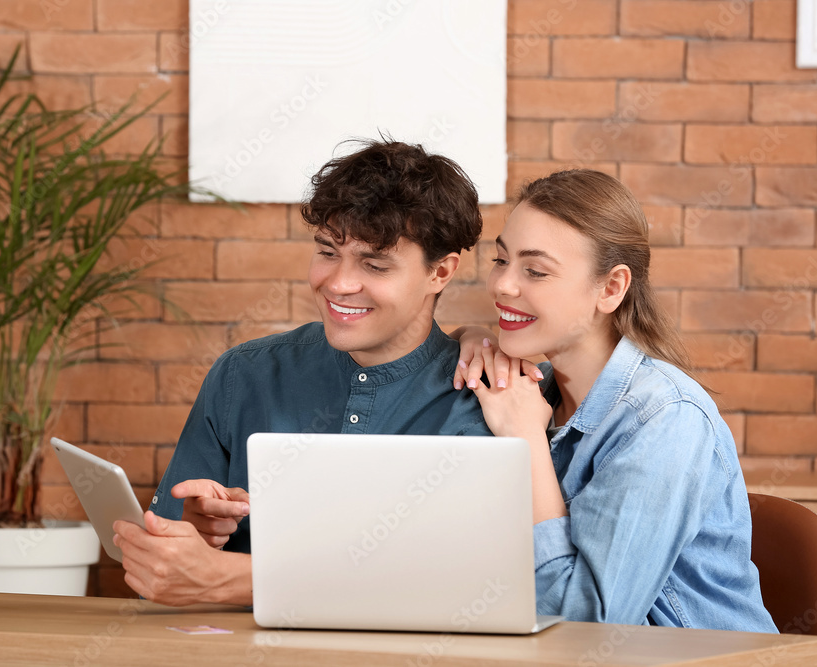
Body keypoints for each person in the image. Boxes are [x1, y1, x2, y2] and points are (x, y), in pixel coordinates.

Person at [112, 139, 533, 606]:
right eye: (328, 252)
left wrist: (236, 578)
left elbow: (464, 587)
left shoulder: (493, 400)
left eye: (374, 264)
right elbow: (166, 565)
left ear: (441, 272)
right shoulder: (245, 374)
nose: (338, 284)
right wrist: (196, 534)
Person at [454, 169, 776, 631]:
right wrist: (470, 339)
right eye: (500, 260)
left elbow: (586, 623)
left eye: (535, 271)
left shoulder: (665, 419)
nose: (502, 285)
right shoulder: (530, 391)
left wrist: (527, 442)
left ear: (611, 288)